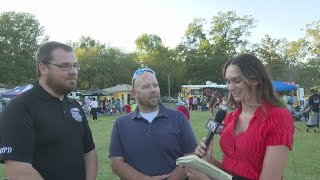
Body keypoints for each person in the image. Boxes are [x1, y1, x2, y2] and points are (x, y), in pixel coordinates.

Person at [185, 53, 294, 180]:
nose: (230, 87)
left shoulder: (278, 117)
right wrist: (210, 161)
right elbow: (229, 174)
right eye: (228, 81)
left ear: (256, 79)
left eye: (237, 80)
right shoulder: (230, 118)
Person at [0, 41, 98, 180]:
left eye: (75, 65)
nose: (73, 71)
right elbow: (18, 170)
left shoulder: (74, 105)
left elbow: (89, 152)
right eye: (65, 66)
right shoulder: (19, 108)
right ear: (43, 68)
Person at [109, 67, 198, 179]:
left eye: (155, 85)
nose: (153, 90)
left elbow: (191, 156)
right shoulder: (121, 124)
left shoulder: (179, 119)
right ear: (134, 93)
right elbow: (116, 164)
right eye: (146, 86)